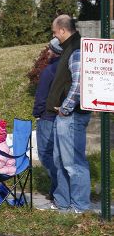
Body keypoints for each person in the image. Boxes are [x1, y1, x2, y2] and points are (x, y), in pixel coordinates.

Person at [44, 14, 92, 214]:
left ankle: (79, 206)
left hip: (70, 116)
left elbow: (78, 84)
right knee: (59, 161)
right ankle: (63, 203)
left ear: (63, 31)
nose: (54, 36)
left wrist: (65, 108)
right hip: (64, 117)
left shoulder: (75, 49)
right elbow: (52, 45)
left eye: (56, 32)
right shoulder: (68, 48)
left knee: (73, 163)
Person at [32, 38, 62, 200]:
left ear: (56, 52)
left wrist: (37, 113)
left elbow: (41, 96)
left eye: (50, 49)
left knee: (45, 154)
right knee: (60, 155)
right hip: (63, 117)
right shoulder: (67, 69)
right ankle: (56, 191)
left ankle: (59, 189)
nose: (48, 52)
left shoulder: (49, 71)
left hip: (48, 117)